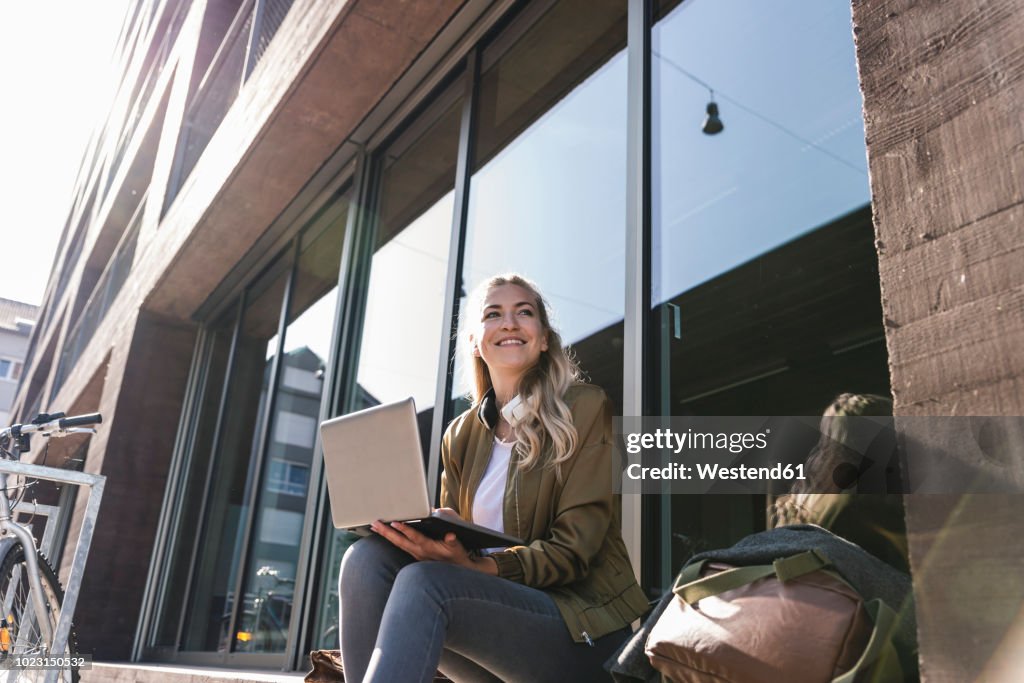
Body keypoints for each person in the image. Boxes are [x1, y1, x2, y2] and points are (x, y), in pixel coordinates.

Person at [338, 273, 649, 682]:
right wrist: (439, 539)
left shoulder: (585, 408)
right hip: (491, 638)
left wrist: (478, 568)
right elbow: (460, 546)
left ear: (542, 339)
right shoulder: (461, 434)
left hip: (581, 632)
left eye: (524, 312)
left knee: (425, 583)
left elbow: (573, 552)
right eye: (493, 314)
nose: (509, 323)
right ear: (474, 342)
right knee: (365, 559)